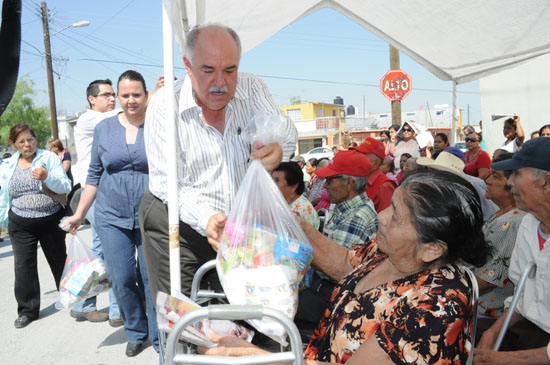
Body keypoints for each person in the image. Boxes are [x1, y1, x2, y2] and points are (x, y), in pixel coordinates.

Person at [200, 171, 490, 363]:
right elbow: (343, 264)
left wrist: (249, 355)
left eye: (398, 217)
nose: (382, 216)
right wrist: (288, 224)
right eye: (391, 204)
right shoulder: (391, 253)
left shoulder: (437, 304)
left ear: (432, 248)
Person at [140, 24, 297, 300]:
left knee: (248, 310)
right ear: (188, 66)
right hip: (178, 224)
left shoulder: (252, 87)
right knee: (187, 320)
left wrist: (278, 149)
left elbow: (285, 132)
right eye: (208, 70)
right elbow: (167, 182)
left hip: (238, 225)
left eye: (230, 70)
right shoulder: (166, 105)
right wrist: (207, 218)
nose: (221, 82)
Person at [66, 70, 158, 357]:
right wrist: (80, 214)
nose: (131, 100)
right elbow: (93, 174)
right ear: (117, 97)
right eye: (125, 95)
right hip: (110, 215)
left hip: (150, 215)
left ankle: (158, 336)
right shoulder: (105, 128)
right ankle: (136, 330)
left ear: (146, 95)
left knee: (151, 277)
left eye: (137, 94)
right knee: (121, 277)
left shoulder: (158, 125)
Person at [475, 137, 550, 364]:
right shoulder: (529, 225)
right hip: (527, 328)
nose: (510, 184)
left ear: (546, 182)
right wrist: (493, 332)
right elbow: (522, 296)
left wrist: (506, 359)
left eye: (516, 174)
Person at [295, 150, 379, 326]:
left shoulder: (357, 216)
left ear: (349, 182)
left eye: (329, 180)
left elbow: (333, 267)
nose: (324, 186)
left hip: (331, 296)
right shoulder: (348, 208)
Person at [0, 123, 71, 329]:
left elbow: (65, 186)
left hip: (50, 220)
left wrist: (47, 177)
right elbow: (5, 196)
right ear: (14, 145)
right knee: (23, 267)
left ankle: (71, 298)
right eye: (21, 141)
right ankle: (27, 311)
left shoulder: (48, 158)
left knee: (59, 260)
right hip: (20, 223)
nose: (27, 144)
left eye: (30, 139)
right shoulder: (7, 166)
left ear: (36, 140)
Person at [70, 79, 121, 325]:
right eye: (107, 95)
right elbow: (129, 112)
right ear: (92, 99)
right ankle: (116, 310)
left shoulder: (102, 119)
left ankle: (85, 303)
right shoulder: (91, 119)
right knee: (110, 249)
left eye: (113, 95)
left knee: (101, 250)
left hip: (98, 192)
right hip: (96, 193)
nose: (113, 99)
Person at [475, 152, 527, 318]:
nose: (488, 180)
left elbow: (487, 281)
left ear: (513, 184)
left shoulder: (511, 221)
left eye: (496, 177)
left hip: (487, 312)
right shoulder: (503, 214)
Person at [353, 137, 396, 212]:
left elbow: (386, 219)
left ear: (376, 162)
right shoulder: (361, 179)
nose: (358, 158)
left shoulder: (384, 186)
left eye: (363, 155)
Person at [272, 162, 319, 229]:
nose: (271, 183)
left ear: (293, 187)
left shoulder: (301, 209)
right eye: (271, 179)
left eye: (277, 180)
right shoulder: (284, 201)